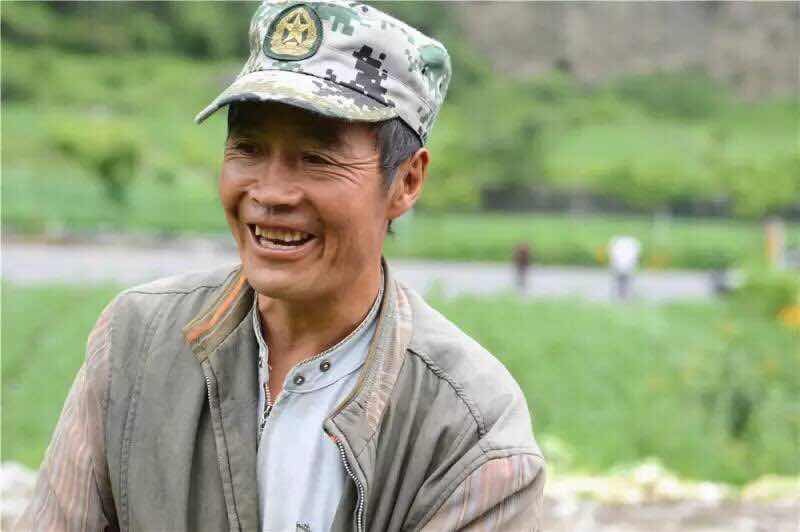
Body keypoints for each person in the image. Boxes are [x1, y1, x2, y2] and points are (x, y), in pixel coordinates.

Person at [18, 2, 545, 531]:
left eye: (317, 158)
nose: (269, 193)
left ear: (406, 181)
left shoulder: (470, 428)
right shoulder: (137, 344)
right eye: (248, 149)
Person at [608, 235, 641, 300]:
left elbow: (612, 256)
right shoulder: (632, 244)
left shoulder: (618, 243)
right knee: (625, 280)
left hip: (621, 266)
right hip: (626, 266)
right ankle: (625, 295)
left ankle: (621, 294)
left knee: (620, 280)